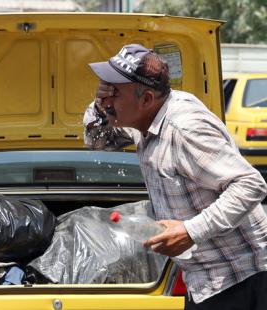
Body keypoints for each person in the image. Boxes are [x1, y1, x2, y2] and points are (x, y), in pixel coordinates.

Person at [83, 43, 267, 309]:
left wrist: (190, 231)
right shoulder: (144, 119)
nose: (107, 99)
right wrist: (100, 106)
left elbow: (251, 184)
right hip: (206, 280)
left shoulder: (185, 128)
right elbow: (97, 141)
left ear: (146, 99)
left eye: (114, 92)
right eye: (105, 90)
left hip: (241, 278)